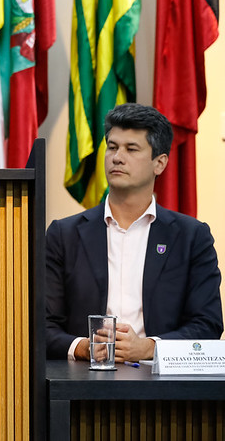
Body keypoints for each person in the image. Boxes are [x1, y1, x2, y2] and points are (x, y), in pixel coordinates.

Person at [45, 103, 222, 362]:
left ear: (159, 163)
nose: (117, 157)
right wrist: (85, 347)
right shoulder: (64, 234)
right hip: (80, 387)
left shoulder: (192, 237)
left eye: (131, 149)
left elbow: (208, 325)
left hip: (164, 391)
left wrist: (150, 348)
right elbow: (42, 324)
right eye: (113, 147)